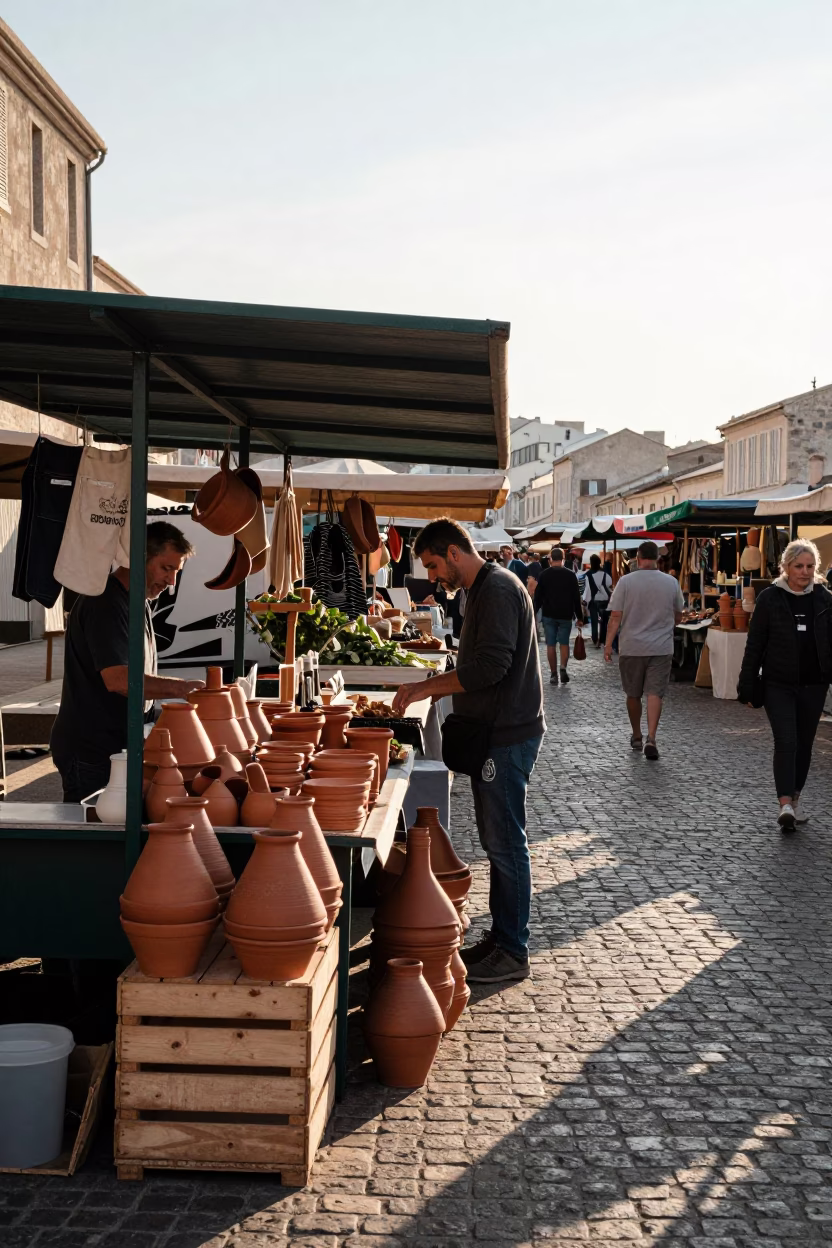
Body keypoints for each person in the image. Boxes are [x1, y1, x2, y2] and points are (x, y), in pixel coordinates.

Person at [392, 518, 544, 985]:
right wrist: (440, 688)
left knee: (505, 843)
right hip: (496, 730)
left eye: (435, 565)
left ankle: (512, 950)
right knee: (497, 842)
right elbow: (479, 663)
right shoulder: (484, 588)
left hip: (506, 734)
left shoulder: (496, 588)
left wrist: (428, 687)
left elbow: (489, 668)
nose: (434, 576)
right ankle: (502, 939)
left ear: (455, 553)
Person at [51, 522, 206, 803]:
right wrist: (182, 689)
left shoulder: (138, 601)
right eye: (166, 568)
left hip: (116, 745)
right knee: (95, 839)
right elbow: (119, 680)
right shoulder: (105, 602)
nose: (172, 582)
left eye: (176, 572)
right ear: (138, 558)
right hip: (93, 750)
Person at [737, 539, 832, 832]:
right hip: (778, 683)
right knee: (786, 741)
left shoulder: (825, 599)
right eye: (798, 566)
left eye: (810, 566)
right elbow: (755, 645)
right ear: (786, 567)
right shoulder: (770, 598)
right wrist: (747, 684)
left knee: (805, 744)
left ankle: (796, 798)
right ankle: (785, 804)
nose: (804, 572)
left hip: (814, 685)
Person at [604, 540, 683, 759]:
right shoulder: (671, 582)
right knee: (655, 693)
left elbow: (615, 617)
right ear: (658, 559)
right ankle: (652, 737)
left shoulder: (626, 582)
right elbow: (678, 616)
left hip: (631, 646)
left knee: (633, 693)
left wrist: (609, 644)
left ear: (637, 559)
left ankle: (637, 734)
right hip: (661, 646)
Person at [533, 546, 583, 685]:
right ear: (563, 559)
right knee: (564, 643)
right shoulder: (570, 575)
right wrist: (580, 617)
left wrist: (533, 612)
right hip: (566, 614)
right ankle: (563, 668)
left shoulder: (544, 575)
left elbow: (538, 597)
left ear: (550, 559)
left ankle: (553, 674)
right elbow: (576, 598)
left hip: (549, 614)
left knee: (550, 644)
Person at [583, 553, 613, 648]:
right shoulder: (605, 574)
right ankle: (603, 639)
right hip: (604, 600)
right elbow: (609, 585)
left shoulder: (588, 575)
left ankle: (595, 639)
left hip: (593, 601)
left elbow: (587, 589)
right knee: (604, 621)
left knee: (594, 621)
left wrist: (585, 601)